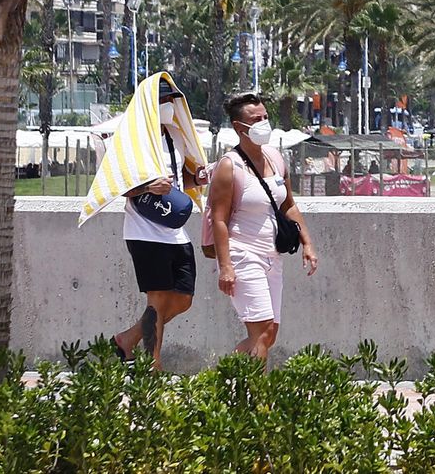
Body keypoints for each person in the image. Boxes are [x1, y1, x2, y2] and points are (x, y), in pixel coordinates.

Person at [207, 92, 319, 361]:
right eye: (256, 119)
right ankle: (255, 387)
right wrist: (226, 267)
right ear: (239, 127)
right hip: (243, 255)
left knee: (270, 333)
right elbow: (219, 219)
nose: (263, 123)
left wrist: (307, 242)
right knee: (261, 330)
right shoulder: (229, 166)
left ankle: (225, 374)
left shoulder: (275, 158)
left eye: (265, 117)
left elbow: (288, 204)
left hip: (273, 256)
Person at [107, 76, 205, 369]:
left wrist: (196, 179)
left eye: (171, 100)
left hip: (175, 230)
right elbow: (118, 186)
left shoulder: (175, 136)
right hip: (144, 231)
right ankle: (153, 365)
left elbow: (178, 180)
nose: (168, 106)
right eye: (162, 100)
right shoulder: (132, 140)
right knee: (157, 299)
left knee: (183, 299)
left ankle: (127, 339)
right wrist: (149, 187)